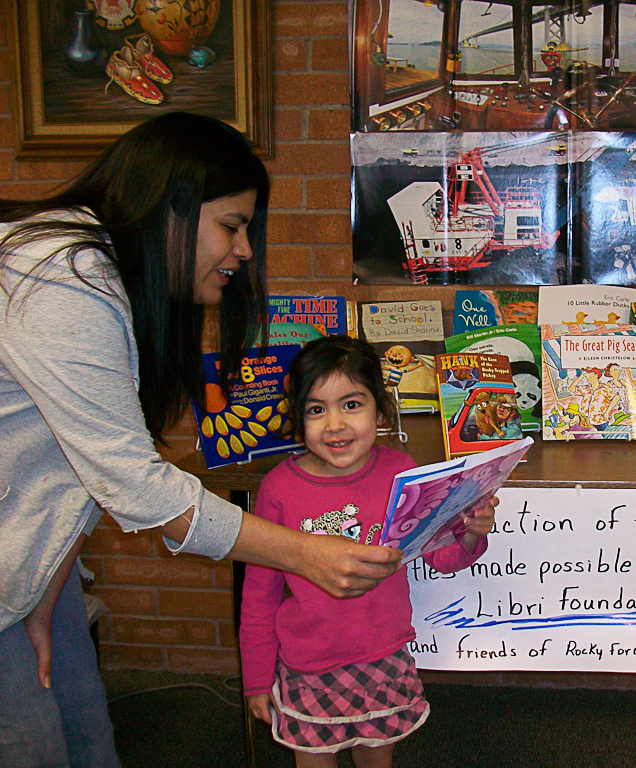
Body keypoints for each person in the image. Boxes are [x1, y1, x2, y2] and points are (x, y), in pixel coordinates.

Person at [0, 112, 408, 767]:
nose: (244, 252)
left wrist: (42, 600)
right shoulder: (63, 275)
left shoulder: (103, 280)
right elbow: (136, 486)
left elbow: (77, 474)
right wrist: (304, 554)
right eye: (232, 225)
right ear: (172, 207)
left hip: (26, 573)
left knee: (87, 742)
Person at [239, 335, 495, 768]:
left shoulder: (401, 471)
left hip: (384, 653)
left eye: (352, 404)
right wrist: (256, 679)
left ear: (380, 407)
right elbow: (259, 595)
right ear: (298, 416)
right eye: (316, 409)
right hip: (308, 664)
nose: (335, 425)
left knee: (378, 761)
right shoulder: (278, 489)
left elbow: (442, 557)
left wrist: (472, 532)